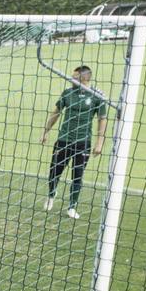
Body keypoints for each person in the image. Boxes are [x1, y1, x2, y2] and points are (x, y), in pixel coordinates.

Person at [41, 65, 108, 220]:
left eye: (74, 77)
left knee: (77, 176)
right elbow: (56, 113)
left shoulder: (97, 96)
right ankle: (51, 194)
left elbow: (102, 120)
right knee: (54, 172)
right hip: (64, 140)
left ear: (84, 78)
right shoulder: (67, 93)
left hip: (83, 142)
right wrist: (46, 131)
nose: (70, 79)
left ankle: (71, 207)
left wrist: (99, 143)